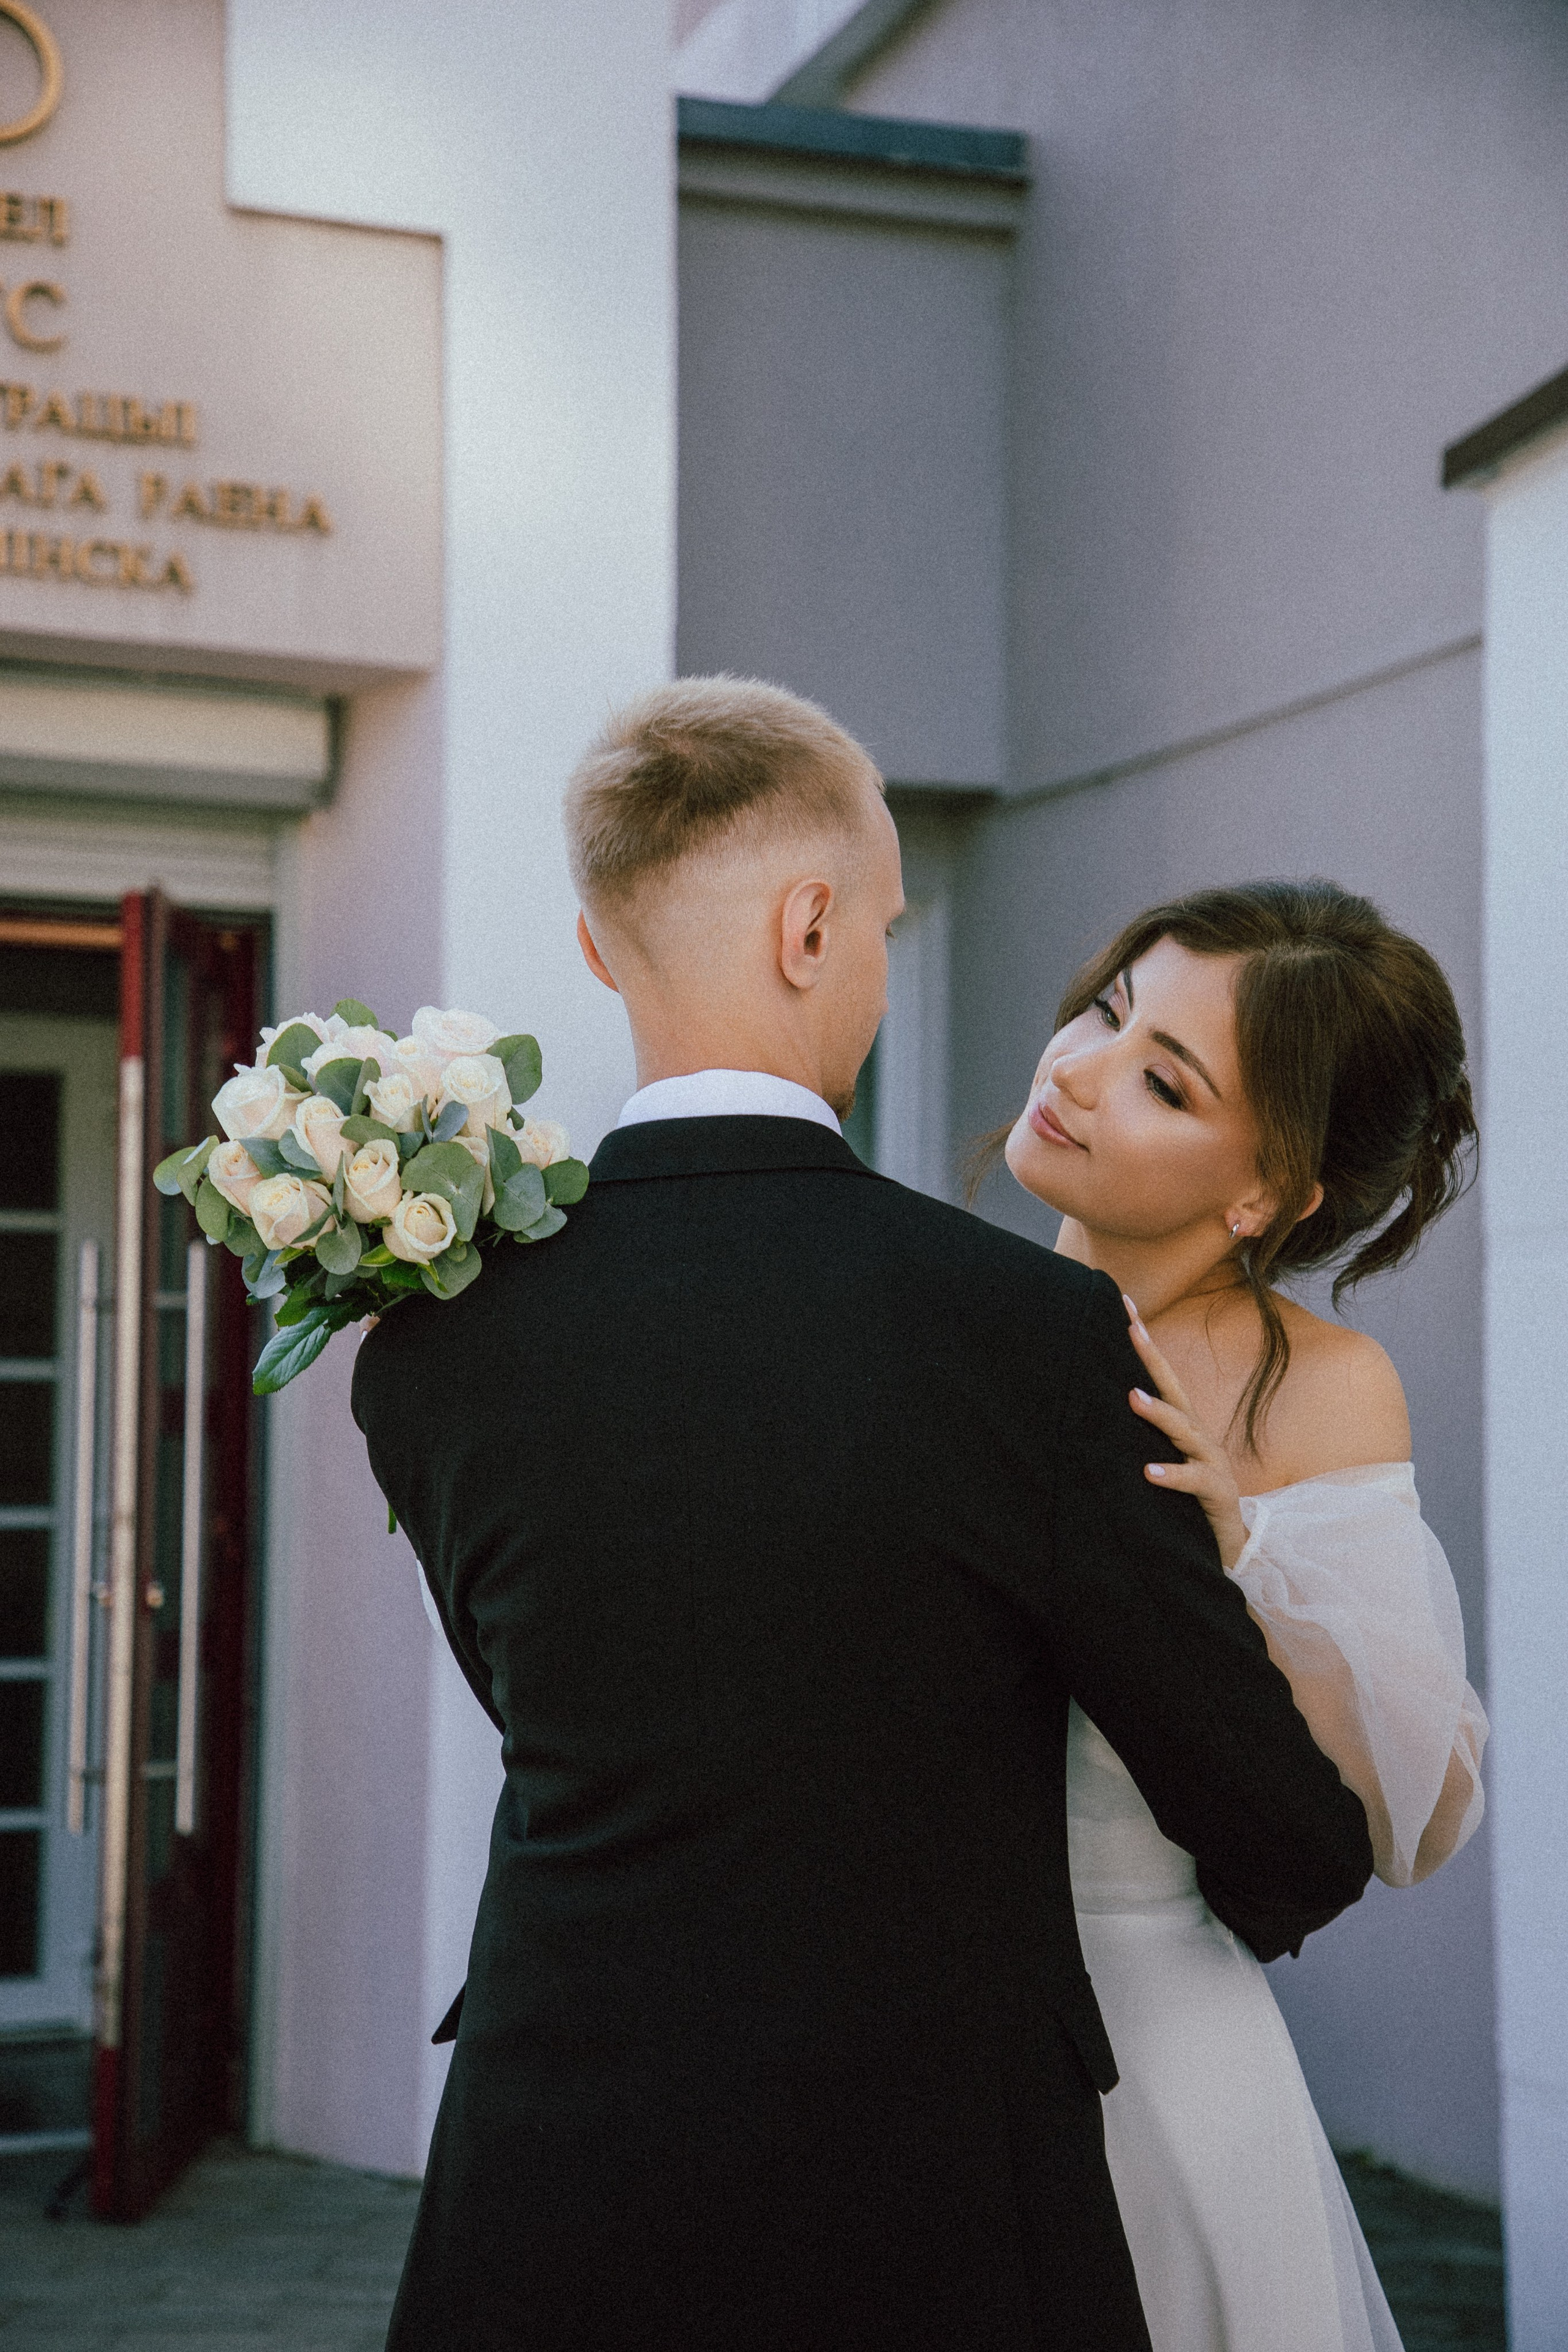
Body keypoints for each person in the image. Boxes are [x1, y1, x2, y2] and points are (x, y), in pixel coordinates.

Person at [351, 681, 1373, 2352]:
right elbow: (1283, 1834)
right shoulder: (1028, 1335)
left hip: (547, 2195)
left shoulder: (427, 1349)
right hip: (927, 2209)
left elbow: (561, 1698)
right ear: (813, 927)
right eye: (888, 925)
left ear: (603, 954)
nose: (886, 965)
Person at [992, 881, 1487, 2352]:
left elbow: (1420, 1810)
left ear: (1263, 1191)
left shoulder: (1314, 1385)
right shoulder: (955, 1321)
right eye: (1103, 1010)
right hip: (924, 2044)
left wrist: (1235, 1557)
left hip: (1158, 2047)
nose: (1074, 1070)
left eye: (1159, 1079)